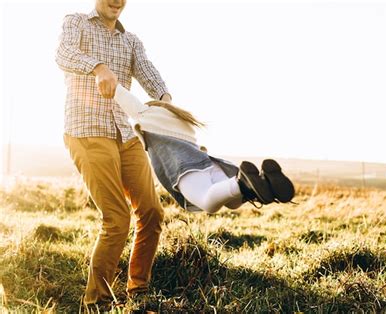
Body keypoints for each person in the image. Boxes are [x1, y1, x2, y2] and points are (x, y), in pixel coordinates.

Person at [55, 0, 169, 311]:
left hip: (125, 134)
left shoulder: (130, 40)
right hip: (87, 130)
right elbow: (63, 54)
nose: (117, 1)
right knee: (117, 218)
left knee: (152, 212)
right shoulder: (76, 22)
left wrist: (165, 100)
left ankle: (138, 289)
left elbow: (148, 73)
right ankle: (97, 302)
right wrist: (97, 66)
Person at [113, 84, 295, 214]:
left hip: (185, 169)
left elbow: (124, 97)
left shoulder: (148, 114)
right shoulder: (182, 121)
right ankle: (261, 186)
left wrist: (106, 79)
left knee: (208, 202)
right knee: (232, 203)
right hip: (209, 164)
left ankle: (242, 184)